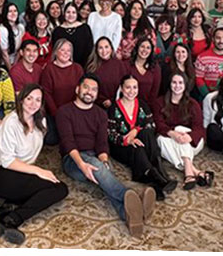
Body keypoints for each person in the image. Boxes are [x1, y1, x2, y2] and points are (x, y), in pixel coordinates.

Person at [57, 74, 154, 237]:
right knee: (101, 171)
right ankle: (131, 197)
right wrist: (83, 165)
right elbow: (68, 143)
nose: (89, 92)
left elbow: (102, 144)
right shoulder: (64, 111)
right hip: (72, 160)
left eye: (94, 90)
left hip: (95, 157)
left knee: (104, 176)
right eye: (86, 87)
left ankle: (131, 217)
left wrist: (104, 160)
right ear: (77, 89)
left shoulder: (101, 114)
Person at [0, 85, 68, 245]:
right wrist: (37, 171)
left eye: (38, 99)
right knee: (53, 188)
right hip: (1, 174)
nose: (33, 103)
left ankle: (6, 214)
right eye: (29, 98)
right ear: (22, 99)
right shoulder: (10, 122)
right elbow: (7, 161)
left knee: (60, 189)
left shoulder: (41, 121)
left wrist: (35, 173)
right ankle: (12, 219)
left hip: (23, 172)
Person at [107, 75, 176, 200]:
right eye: (128, 87)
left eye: (135, 87)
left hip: (141, 142)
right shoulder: (113, 108)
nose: (131, 91)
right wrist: (127, 140)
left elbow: (151, 125)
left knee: (147, 133)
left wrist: (135, 130)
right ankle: (155, 179)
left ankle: (158, 171)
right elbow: (110, 134)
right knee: (137, 147)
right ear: (121, 89)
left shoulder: (142, 104)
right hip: (121, 147)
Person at [154, 72, 209, 190]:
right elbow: (159, 125)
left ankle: (188, 173)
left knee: (180, 129)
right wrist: (172, 134)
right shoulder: (160, 102)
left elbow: (199, 128)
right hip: (170, 141)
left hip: (192, 143)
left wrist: (189, 137)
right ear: (169, 84)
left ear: (185, 85)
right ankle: (193, 170)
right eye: (174, 82)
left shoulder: (193, 104)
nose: (177, 86)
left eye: (180, 83)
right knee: (161, 140)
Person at [40, 39, 85, 144]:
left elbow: (82, 90)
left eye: (68, 51)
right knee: (51, 140)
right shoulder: (49, 69)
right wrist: (56, 113)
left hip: (74, 111)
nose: (66, 53)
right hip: (55, 111)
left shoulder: (77, 68)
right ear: (56, 51)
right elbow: (46, 93)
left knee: (78, 137)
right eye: (62, 50)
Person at [87, 37, 127, 108]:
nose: (104, 51)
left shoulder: (119, 65)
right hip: (95, 105)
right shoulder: (91, 67)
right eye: (100, 48)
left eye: (106, 47)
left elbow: (125, 85)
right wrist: (102, 100)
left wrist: (112, 100)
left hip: (117, 105)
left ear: (111, 48)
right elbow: (88, 87)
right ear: (96, 50)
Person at [126, 38, 162, 112]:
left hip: (147, 107)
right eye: (142, 46)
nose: (145, 50)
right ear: (137, 48)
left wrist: (146, 108)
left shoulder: (155, 68)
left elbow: (155, 91)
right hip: (127, 105)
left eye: (148, 48)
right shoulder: (127, 65)